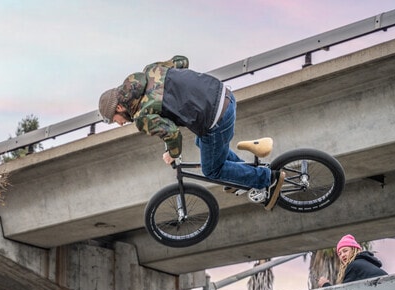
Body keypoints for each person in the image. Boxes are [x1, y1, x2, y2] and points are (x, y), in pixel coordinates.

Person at [98, 55, 285, 210]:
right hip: (223, 93)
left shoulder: (142, 116)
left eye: (115, 120)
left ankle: (266, 179)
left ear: (120, 107)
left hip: (215, 119)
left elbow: (171, 133)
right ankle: (242, 176)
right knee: (202, 144)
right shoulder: (151, 71)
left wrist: (173, 154)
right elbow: (182, 61)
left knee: (211, 170)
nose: (119, 124)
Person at [317, 234, 388, 288]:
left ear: (354, 250)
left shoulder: (354, 266)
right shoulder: (366, 263)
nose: (342, 255)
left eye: (345, 251)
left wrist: (325, 284)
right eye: (340, 254)